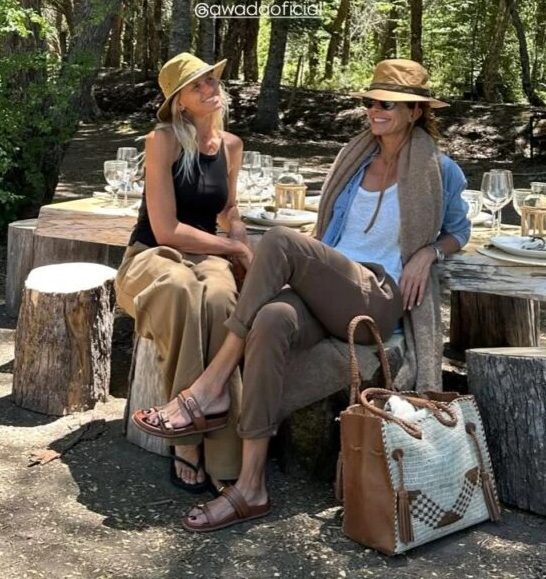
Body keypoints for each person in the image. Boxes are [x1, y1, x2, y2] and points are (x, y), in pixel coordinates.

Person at [141, 58, 470, 532]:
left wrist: (428, 255)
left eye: (389, 104)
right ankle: (251, 485)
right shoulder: (355, 159)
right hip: (335, 289)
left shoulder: (440, 170)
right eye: (371, 101)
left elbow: (459, 231)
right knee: (272, 318)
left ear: (415, 112)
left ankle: (210, 385)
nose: (375, 111)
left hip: (379, 295)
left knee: (277, 239)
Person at [114, 52, 253, 494]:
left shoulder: (231, 146)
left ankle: (221, 452)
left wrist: (242, 241)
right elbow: (165, 230)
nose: (212, 89)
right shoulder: (163, 139)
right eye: (198, 86)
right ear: (179, 103)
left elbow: (228, 210)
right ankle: (190, 443)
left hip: (206, 256)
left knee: (219, 299)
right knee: (179, 291)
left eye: (212, 80)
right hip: (151, 256)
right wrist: (231, 245)